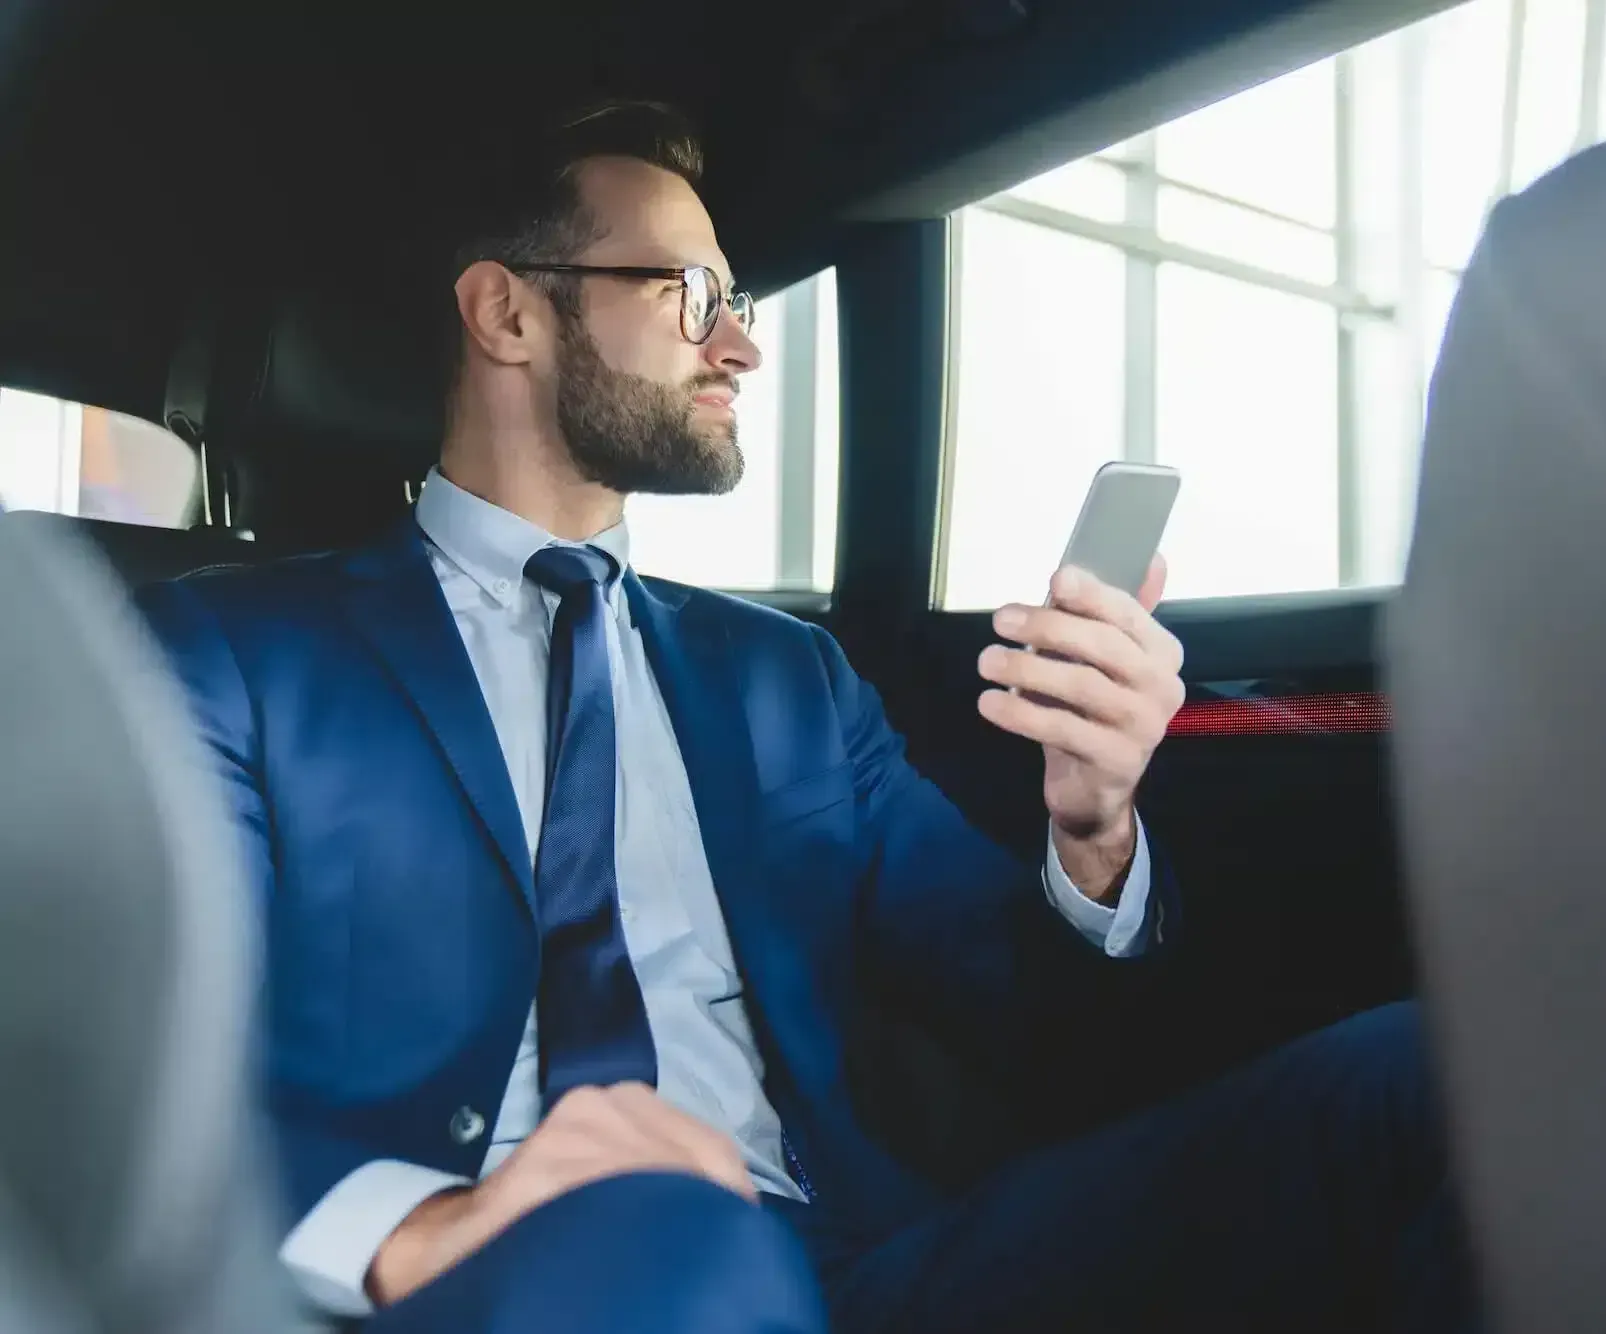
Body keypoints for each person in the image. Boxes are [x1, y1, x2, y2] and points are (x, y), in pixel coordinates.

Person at [140, 100, 1471, 1334]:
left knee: (1427, 1085)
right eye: (693, 293)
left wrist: (1095, 826)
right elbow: (139, 1056)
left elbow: (1034, 1023)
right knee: (656, 1249)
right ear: (506, 312)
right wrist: (418, 1227)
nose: (741, 341)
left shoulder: (790, 679)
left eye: (741, 298)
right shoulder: (233, 653)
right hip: (497, 1273)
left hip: (858, 1269)